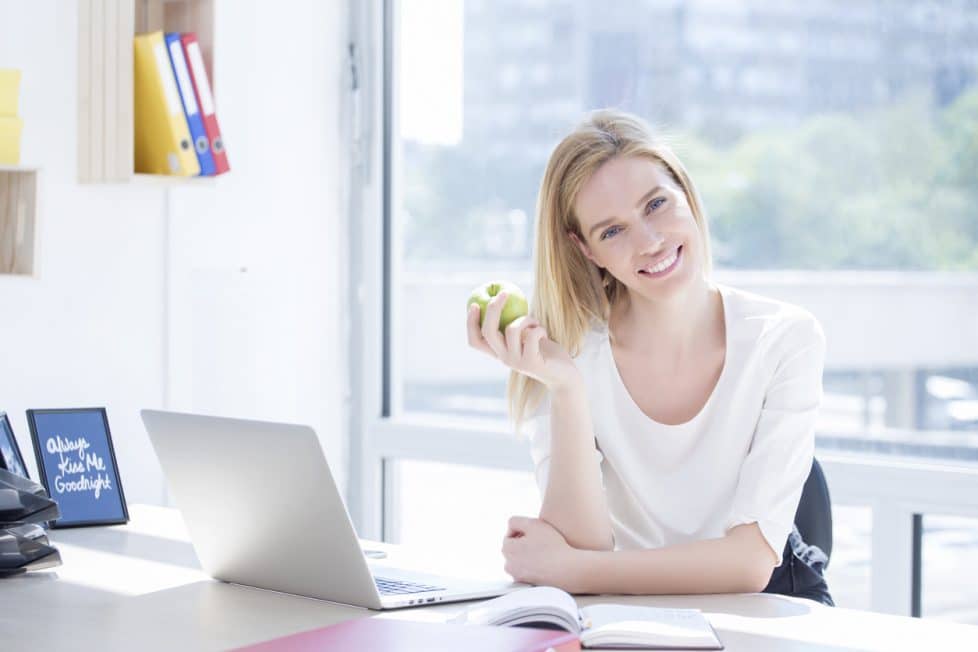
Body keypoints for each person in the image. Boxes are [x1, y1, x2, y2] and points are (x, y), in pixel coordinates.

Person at [465, 109, 833, 605]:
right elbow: (582, 547)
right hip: (633, 607)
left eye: (656, 204)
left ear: (685, 191)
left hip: (771, 601)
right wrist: (568, 388)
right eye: (611, 231)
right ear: (586, 250)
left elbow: (749, 562)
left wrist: (575, 569)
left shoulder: (786, 339)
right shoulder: (563, 354)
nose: (650, 241)